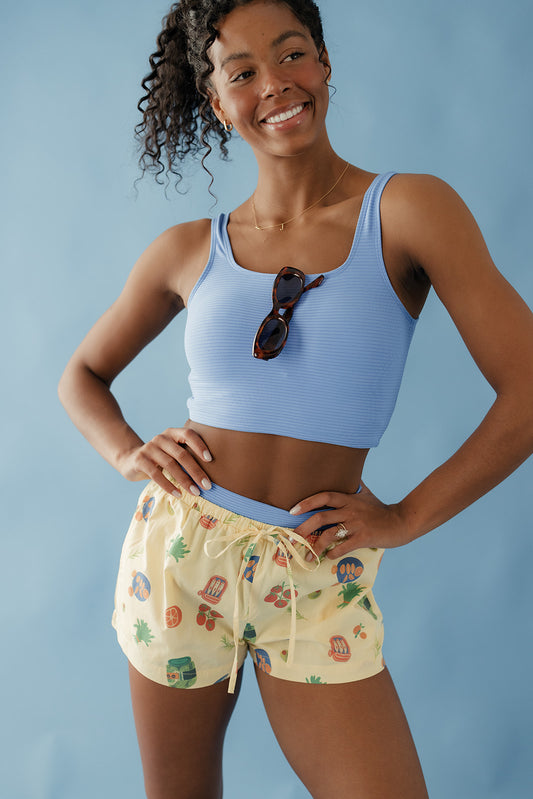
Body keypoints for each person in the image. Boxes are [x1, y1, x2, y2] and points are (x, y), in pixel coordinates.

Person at [58, 0, 533, 797]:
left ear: (323, 63)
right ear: (217, 101)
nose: (274, 84)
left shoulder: (407, 210)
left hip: (315, 570)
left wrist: (405, 517)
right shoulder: (187, 248)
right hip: (180, 559)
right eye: (242, 72)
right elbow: (81, 374)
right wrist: (128, 452)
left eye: (291, 54)